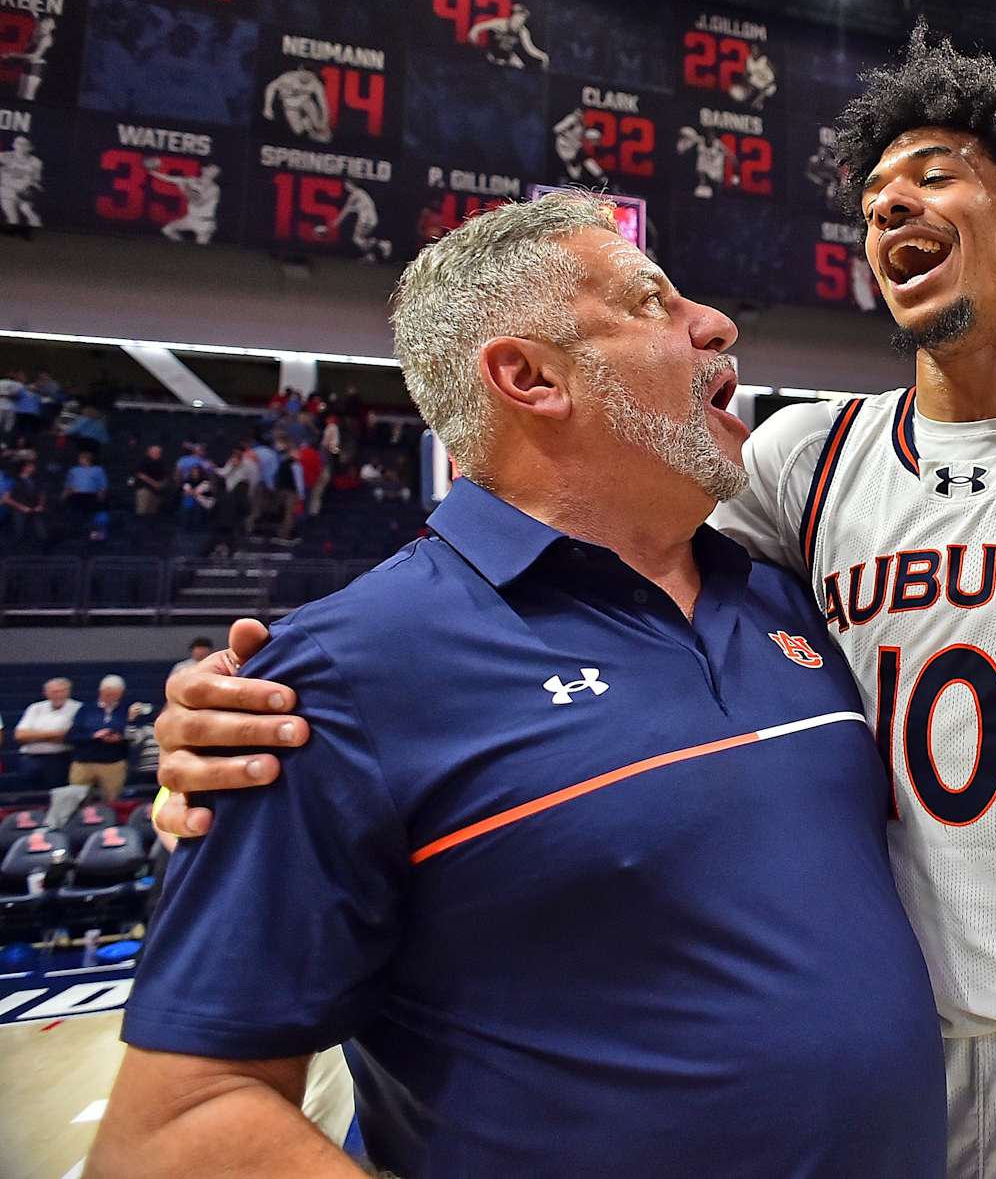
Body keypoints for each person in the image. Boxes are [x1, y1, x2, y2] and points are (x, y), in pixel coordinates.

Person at [154, 34, 996, 1179]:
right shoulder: (802, 461)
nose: (887, 207)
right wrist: (275, 701)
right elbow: (566, 538)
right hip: (912, 1065)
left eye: (933, 177)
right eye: (872, 196)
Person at [91, 195, 948, 1178]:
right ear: (529, 376)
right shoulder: (332, 679)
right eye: (652, 302)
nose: (715, 324)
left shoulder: (793, 599)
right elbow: (174, 1129)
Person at [48, 675, 130, 828]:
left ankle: (109, 828)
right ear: (101, 691)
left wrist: (119, 738)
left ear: (121, 693)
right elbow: (71, 736)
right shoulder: (86, 710)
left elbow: (133, 734)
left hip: (113, 763)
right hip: (83, 762)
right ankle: (75, 828)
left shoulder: (126, 710)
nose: (111, 696)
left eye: (115, 693)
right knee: (75, 799)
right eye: (108, 692)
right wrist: (94, 736)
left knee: (112, 802)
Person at [12, 677, 81, 791]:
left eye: (61, 691)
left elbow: (68, 735)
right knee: (28, 796)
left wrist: (34, 735)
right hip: (31, 759)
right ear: (45, 693)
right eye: (53, 692)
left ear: (68, 692)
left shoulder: (78, 708)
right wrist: (54, 735)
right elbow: (20, 735)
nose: (57, 695)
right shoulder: (35, 708)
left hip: (60, 760)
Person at [63, 448, 109, 539]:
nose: (79, 460)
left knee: (93, 515)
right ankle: (76, 533)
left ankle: (93, 534)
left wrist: (101, 496)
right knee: (75, 514)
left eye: (81, 458)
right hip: (76, 496)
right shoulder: (74, 470)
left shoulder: (98, 470)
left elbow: (103, 486)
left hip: (91, 496)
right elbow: (68, 485)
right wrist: (64, 496)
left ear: (87, 459)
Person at [3, 458, 47, 542]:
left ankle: (43, 549)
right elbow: (6, 499)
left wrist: (41, 505)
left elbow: (41, 494)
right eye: (31, 466)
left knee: (41, 533)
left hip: (34, 509)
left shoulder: (36, 480)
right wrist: (21, 507)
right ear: (24, 468)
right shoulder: (14, 480)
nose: (33, 468)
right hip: (19, 510)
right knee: (19, 533)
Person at [133, 444, 170, 517]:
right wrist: (154, 483)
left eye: (159, 452)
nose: (157, 454)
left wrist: (161, 484)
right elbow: (140, 475)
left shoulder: (161, 463)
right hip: (144, 489)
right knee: (142, 512)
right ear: (149, 452)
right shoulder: (143, 461)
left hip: (156, 491)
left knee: (152, 513)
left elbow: (166, 476)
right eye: (155, 452)